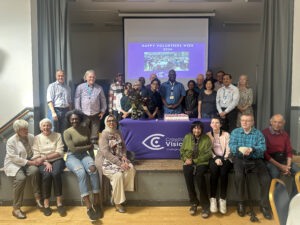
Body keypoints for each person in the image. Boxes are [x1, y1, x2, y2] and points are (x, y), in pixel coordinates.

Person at [229, 114, 272, 220]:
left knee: (266, 179)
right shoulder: (235, 132)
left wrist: (252, 149)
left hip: (256, 159)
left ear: (252, 122)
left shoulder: (258, 133)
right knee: (239, 177)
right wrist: (240, 149)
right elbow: (232, 146)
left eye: (247, 121)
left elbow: (263, 147)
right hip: (240, 159)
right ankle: (241, 203)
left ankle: (264, 205)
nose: (244, 122)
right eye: (243, 120)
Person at [63, 110, 101, 221]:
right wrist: (88, 146)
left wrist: (93, 160)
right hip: (72, 157)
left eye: (76, 118)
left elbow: (90, 146)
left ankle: (96, 203)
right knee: (81, 173)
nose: (74, 120)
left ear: (79, 118)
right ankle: (89, 207)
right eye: (72, 119)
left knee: (93, 170)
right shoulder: (67, 132)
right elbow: (73, 149)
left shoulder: (85, 129)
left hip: (85, 155)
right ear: (69, 120)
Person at [96, 115, 136, 213]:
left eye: (113, 120)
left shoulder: (118, 132)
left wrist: (124, 157)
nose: (111, 122)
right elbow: (106, 153)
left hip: (118, 159)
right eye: (109, 121)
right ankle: (118, 203)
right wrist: (119, 163)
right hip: (106, 161)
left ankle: (115, 194)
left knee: (130, 169)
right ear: (106, 122)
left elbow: (123, 148)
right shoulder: (104, 135)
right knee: (117, 175)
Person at [4, 119, 43, 219]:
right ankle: (16, 209)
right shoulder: (11, 141)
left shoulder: (30, 136)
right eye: (23, 129)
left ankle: (38, 198)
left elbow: (35, 150)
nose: (26, 130)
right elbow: (14, 158)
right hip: (14, 164)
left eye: (26, 128)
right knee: (21, 178)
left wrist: (38, 159)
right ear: (17, 131)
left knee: (35, 171)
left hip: (29, 161)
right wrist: (31, 162)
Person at [32, 118, 66, 217]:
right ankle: (46, 204)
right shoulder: (36, 138)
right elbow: (36, 154)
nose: (46, 127)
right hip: (42, 161)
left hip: (57, 159)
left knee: (56, 173)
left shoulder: (58, 135)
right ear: (40, 127)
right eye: (44, 125)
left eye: (48, 125)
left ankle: (59, 203)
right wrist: (46, 162)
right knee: (46, 175)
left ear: (51, 126)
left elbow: (60, 152)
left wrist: (46, 157)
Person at [180, 121, 212, 218]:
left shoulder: (206, 138)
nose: (196, 130)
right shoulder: (187, 137)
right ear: (192, 129)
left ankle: (205, 205)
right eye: (195, 128)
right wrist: (185, 159)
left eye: (199, 128)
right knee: (188, 178)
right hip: (188, 162)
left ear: (202, 129)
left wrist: (194, 160)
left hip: (201, 162)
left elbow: (208, 154)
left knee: (199, 178)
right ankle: (194, 203)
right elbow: (182, 151)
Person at [263, 114, 300, 197]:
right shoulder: (264, 133)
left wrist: (288, 166)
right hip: (270, 160)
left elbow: (289, 151)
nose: (277, 124)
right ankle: (276, 200)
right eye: (275, 122)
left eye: (280, 122)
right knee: (275, 173)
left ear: (283, 123)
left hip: (282, 158)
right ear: (271, 122)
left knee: (298, 173)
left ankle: (293, 198)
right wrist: (281, 167)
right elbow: (265, 154)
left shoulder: (285, 134)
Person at [206, 117, 232, 214]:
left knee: (224, 173)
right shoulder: (207, 135)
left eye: (217, 123)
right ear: (210, 125)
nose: (215, 124)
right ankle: (213, 199)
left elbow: (229, 148)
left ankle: (222, 199)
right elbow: (208, 149)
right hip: (213, 158)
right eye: (213, 122)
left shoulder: (226, 134)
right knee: (214, 172)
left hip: (226, 158)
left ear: (220, 125)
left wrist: (224, 158)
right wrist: (215, 158)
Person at [74, 69, 107, 144]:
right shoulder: (80, 87)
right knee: (83, 130)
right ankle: (84, 144)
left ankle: (94, 144)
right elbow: (77, 100)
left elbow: (103, 100)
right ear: (86, 77)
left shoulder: (99, 88)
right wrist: (79, 112)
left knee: (95, 131)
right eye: (90, 77)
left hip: (96, 113)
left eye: (93, 77)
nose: (92, 79)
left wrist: (102, 111)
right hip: (84, 113)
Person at [46, 69, 72, 135]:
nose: (60, 77)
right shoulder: (52, 86)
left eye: (62, 76)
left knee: (64, 130)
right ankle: (54, 145)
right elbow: (49, 100)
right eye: (59, 76)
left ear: (64, 76)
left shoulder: (68, 88)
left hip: (65, 111)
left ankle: (62, 145)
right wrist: (53, 112)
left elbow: (69, 102)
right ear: (56, 76)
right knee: (54, 129)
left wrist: (70, 112)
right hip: (55, 110)